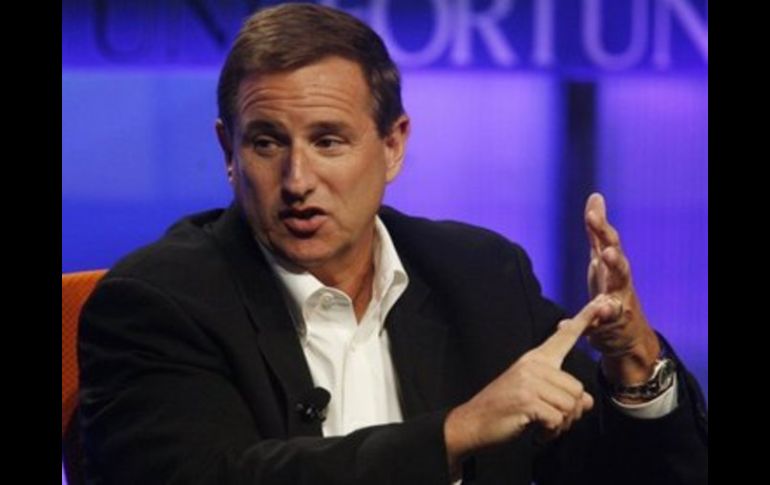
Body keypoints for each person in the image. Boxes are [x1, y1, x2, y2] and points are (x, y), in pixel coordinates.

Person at [77, 3, 707, 484]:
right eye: (266, 143)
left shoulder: (480, 276)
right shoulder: (159, 300)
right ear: (229, 152)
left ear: (393, 145)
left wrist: (633, 358)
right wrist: (455, 433)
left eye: (328, 141)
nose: (297, 181)